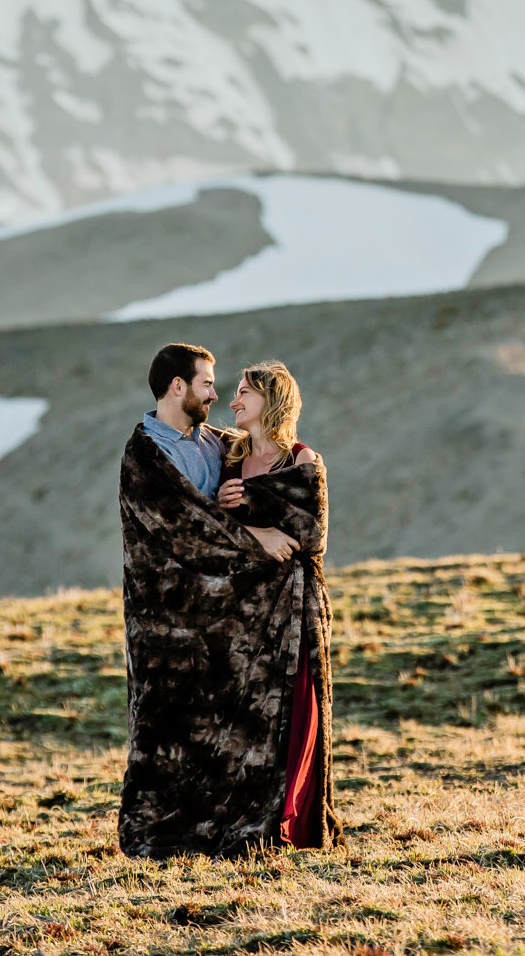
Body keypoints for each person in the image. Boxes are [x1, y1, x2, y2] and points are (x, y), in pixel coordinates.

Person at [116, 344, 340, 857]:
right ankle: (171, 830)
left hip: (238, 624)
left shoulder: (218, 446)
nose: (219, 397)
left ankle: (261, 821)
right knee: (171, 731)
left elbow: (308, 527)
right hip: (168, 623)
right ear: (179, 387)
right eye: (209, 386)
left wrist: (250, 511)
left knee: (238, 726)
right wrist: (256, 533)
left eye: (236, 390)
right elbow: (189, 528)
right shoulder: (146, 457)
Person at [216, 361, 329, 847]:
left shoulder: (304, 462)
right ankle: (247, 821)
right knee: (247, 715)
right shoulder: (229, 463)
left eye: (243, 392)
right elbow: (215, 533)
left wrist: (264, 517)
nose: (234, 400)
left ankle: (294, 822)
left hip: (295, 605)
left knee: (299, 711)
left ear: (271, 398)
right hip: (245, 610)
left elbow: (314, 536)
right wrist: (236, 516)